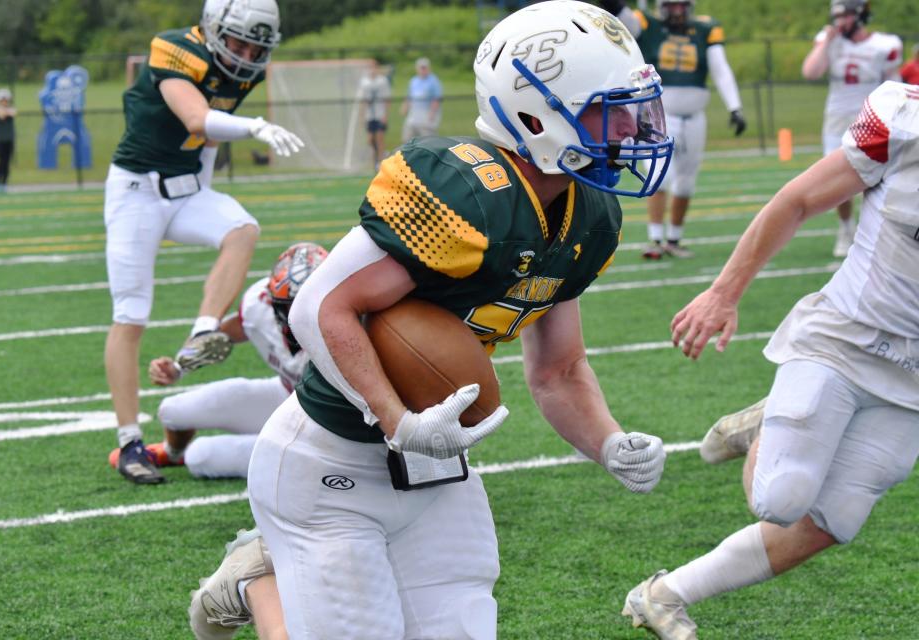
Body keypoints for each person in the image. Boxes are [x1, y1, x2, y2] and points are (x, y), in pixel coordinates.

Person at [199, 2, 674, 638]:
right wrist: (397, 419)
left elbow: (559, 371)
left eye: (634, 108)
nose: (631, 129)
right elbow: (321, 307)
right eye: (607, 111)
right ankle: (259, 578)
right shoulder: (465, 191)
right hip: (327, 463)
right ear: (535, 114)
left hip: (438, 468)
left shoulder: (589, 216)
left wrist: (609, 442)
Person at [623, 80, 919, 640]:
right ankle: (763, 417)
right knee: (781, 497)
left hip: (912, 378)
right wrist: (723, 293)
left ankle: (663, 596)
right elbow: (799, 200)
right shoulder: (905, 122)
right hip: (841, 338)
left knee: (836, 520)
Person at [104, 0, 304, 485]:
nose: (244, 53)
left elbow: (207, 146)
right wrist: (255, 126)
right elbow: (197, 120)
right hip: (137, 192)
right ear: (214, 28)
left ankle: (202, 329)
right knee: (131, 313)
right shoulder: (175, 49)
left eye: (255, 46)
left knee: (242, 229)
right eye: (237, 41)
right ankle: (130, 442)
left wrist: (205, 187)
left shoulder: (243, 71)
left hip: (188, 189)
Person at [106, 243, 326, 479]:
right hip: (287, 396)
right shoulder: (259, 304)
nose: (295, 314)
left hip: (325, 427)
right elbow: (230, 332)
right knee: (173, 411)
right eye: (288, 305)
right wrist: (180, 366)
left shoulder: (350, 328)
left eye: (305, 304)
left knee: (201, 456)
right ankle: (171, 453)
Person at [600, 0, 746, 259]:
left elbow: (720, 69)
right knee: (659, 176)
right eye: (672, 5)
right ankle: (655, 239)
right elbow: (620, 15)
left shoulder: (705, 28)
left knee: (686, 182)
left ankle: (674, 239)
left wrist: (735, 107)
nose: (678, 10)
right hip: (659, 115)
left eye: (682, 5)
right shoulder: (647, 24)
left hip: (695, 117)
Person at [801, 0, 901, 258]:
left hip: (871, 118)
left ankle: (875, 233)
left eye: (845, 16)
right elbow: (810, 72)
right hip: (836, 120)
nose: (839, 22)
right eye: (837, 16)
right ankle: (846, 228)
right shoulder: (830, 40)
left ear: (860, 16)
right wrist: (826, 43)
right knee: (839, 184)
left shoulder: (885, 44)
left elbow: (894, 85)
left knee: (878, 181)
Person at [357, 59, 391, 171]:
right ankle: (375, 161)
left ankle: (381, 163)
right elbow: (363, 100)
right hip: (370, 115)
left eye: (374, 67)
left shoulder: (382, 81)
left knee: (379, 138)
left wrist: (386, 115)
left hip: (380, 114)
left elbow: (387, 99)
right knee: (370, 140)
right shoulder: (364, 82)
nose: (372, 69)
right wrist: (362, 115)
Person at [400, 56, 442, 142]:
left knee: (427, 139)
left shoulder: (433, 81)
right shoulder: (414, 80)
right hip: (414, 113)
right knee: (407, 138)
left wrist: (432, 114)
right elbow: (409, 96)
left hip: (427, 114)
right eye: (421, 68)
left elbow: (436, 99)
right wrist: (404, 107)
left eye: (425, 68)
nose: (423, 70)